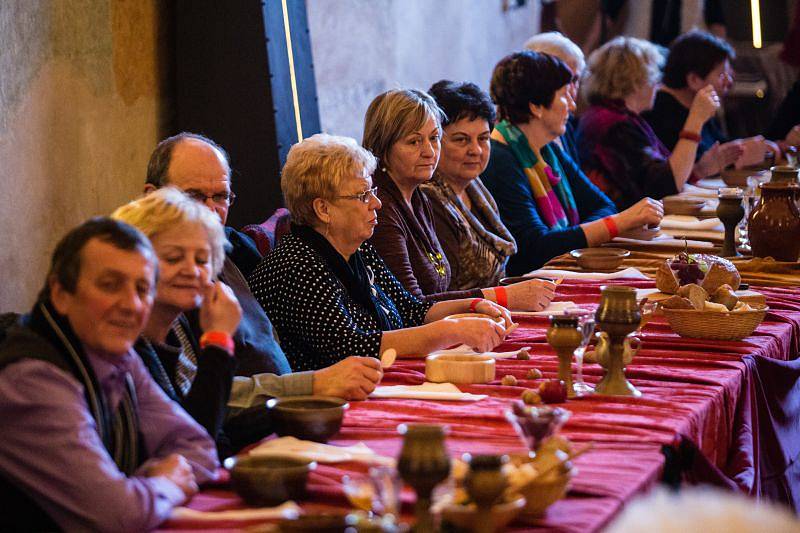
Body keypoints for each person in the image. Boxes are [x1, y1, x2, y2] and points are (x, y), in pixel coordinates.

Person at [0, 218, 218, 531]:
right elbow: (118, 516)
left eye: (142, 289)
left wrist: (137, 490)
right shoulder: (32, 380)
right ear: (61, 293)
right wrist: (165, 482)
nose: (131, 304)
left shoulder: (119, 356)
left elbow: (199, 446)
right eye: (110, 285)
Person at [145, 133, 382, 403]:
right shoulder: (157, 280)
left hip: (284, 415)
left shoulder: (231, 252)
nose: (210, 211)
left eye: (220, 197)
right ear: (152, 196)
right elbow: (192, 400)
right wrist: (312, 384)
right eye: (193, 196)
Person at [249, 134, 513, 372]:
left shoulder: (356, 248)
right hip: (330, 404)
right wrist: (451, 331)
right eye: (363, 195)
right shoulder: (297, 266)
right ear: (323, 209)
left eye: (372, 191)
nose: (376, 203)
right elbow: (350, 347)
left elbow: (410, 309)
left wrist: (472, 307)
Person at [364, 88, 555, 309]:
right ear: (382, 145)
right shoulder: (380, 207)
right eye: (414, 142)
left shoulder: (415, 195)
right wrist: (502, 296)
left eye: (434, 138)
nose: (430, 151)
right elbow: (412, 307)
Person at [482, 50, 663, 275]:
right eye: (564, 95)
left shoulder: (546, 150)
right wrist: (618, 223)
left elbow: (603, 205)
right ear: (535, 107)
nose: (572, 106)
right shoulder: (500, 159)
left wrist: (577, 235)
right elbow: (536, 248)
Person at [112, 188, 244, 458]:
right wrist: (219, 340)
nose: (192, 270)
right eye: (173, 258)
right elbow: (190, 443)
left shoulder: (178, 324)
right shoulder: (121, 340)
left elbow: (215, 429)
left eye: (201, 260)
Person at [577, 36, 720, 210]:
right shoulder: (614, 124)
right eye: (654, 77)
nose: (658, 86)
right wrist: (695, 120)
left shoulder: (613, 115)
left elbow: (654, 176)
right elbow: (663, 186)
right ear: (636, 81)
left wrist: (699, 171)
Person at [420, 80, 518, 290]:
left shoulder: (476, 187)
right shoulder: (427, 199)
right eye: (461, 140)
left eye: (483, 138)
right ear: (435, 140)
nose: (476, 150)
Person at [643, 30, 747, 174]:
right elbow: (671, 174)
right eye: (722, 74)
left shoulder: (697, 105)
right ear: (694, 80)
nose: (729, 82)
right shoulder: (660, 113)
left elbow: (721, 147)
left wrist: (751, 147)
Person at [524, 31, 586, 164]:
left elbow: (575, 181)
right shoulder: (519, 135)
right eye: (565, 82)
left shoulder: (566, 125)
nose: (571, 91)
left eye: (575, 80)